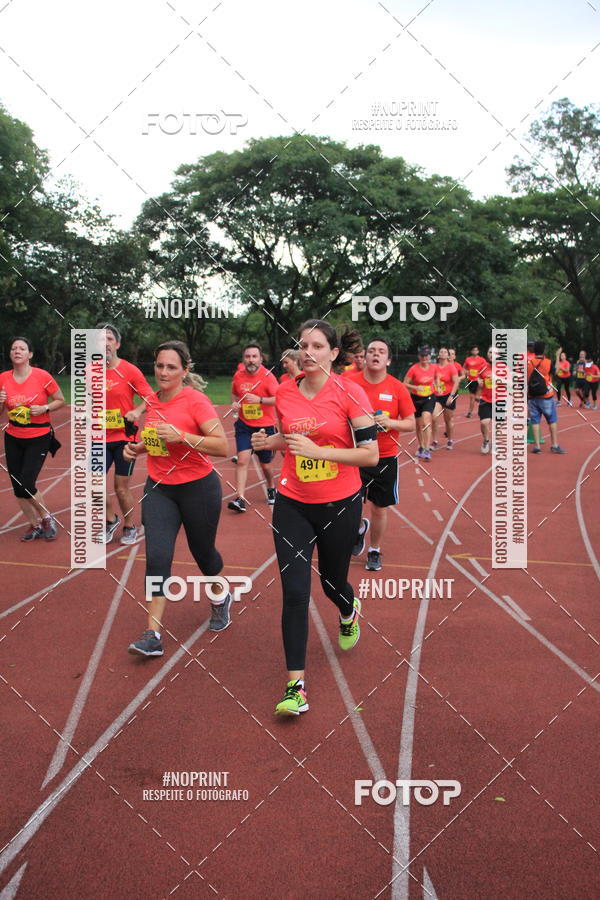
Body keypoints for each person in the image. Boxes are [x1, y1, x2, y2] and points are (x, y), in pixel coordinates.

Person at [251, 321, 378, 716]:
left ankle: (348, 609)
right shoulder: (286, 392)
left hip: (340, 502)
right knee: (293, 591)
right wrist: (268, 442)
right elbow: (291, 439)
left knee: (331, 582)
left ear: (333, 353)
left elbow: (370, 455)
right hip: (293, 501)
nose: (307, 351)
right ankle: (296, 688)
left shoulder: (350, 393)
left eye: (317, 346)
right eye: (302, 345)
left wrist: (320, 453)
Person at [125, 341, 231, 657]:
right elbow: (159, 440)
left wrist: (183, 436)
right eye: (159, 366)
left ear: (185, 370)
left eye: (171, 367)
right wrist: (139, 448)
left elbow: (222, 446)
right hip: (160, 489)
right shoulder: (152, 402)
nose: (164, 372)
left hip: (199, 488)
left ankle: (219, 596)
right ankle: (152, 635)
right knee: (157, 557)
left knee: (204, 555)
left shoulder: (196, 401)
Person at [346, 337, 415, 571]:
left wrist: (391, 422)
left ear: (388, 359)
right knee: (349, 504)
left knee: (379, 508)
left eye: (381, 351)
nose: (376, 354)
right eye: (371, 350)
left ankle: (374, 550)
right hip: (354, 454)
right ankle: (356, 529)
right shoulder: (348, 382)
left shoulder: (397, 387)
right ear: (364, 356)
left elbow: (411, 423)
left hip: (385, 456)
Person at [0, 337, 65, 541]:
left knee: (27, 482)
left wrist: (45, 408)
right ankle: (34, 525)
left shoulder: (42, 376)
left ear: (30, 354)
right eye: (13, 348)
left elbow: (61, 400)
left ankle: (46, 518)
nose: (17, 351)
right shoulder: (2, 378)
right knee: (17, 486)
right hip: (13, 436)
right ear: (10, 354)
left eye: (22, 348)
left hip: (38, 436)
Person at [94, 323, 154, 544]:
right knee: (94, 484)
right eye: (101, 339)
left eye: (109, 339)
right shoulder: (90, 371)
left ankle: (130, 525)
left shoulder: (130, 370)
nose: (105, 343)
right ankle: (111, 521)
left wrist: (136, 411)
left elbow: (150, 397)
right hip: (98, 437)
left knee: (121, 486)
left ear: (117, 344)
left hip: (123, 438)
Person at [228, 344, 279, 512]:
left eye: (254, 356)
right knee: (242, 460)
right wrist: (234, 404)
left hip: (264, 427)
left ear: (261, 359)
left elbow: (278, 399)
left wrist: (260, 400)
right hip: (244, 425)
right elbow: (234, 392)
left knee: (265, 465)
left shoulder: (268, 377)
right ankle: (240, 498)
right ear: (244, 359)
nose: (251, 360)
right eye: (248, 356)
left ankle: (271, 488)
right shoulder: (238, 375)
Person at [527, 340, 566, 454]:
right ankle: (554, 445)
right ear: (543, 350)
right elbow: (557, 371)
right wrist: (558, 356)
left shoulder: (528, 363)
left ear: (533, 350)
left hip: (532, 396)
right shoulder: (548, 362)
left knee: (535, 421)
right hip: (546, 396)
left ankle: (537, 447)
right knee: (552, 420)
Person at [404, 347, 438, 461]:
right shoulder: (413, 369)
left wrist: (437, 386)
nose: (424, 358)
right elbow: (405, 383)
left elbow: (437, 378)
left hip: (429, 397)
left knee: (426, 421)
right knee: (419, 425)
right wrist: (415, 387)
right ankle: (422, 446)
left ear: (430, 356)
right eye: (422, 356)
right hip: (416, 398)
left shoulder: (434, 367)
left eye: (426, 355)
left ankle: (427, 449)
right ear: (419, 357)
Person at [431, 347, 460, 450]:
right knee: (434, 417)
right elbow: (431, 379)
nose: (443, 353)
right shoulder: (434, 367)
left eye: (445, 352)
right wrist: (434, 384)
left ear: (448, 355)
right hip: (437, 396)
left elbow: (456, 382)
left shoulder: (451, 367)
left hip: (448, 395)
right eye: (441, 352)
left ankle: (450, 440)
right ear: (438, 355)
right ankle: (434, 441)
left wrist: (451, 396)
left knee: (448, 420)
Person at [475, 347, 495, 454]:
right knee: (484, 422)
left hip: (499, 399)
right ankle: (486, 440)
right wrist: (479, 381)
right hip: (485, 398)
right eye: (490, 352)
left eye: (494, 352)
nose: (492, 354)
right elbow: (478, 378)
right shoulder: (483, 367)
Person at [462, 346, 487, 417]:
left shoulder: (482, 360)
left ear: (478, 351)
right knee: (472, 397)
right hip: (470, 381)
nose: (475, 352)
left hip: (479, 381)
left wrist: (482, 375)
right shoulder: (468, 359)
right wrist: (466, 372)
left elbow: (486, 368)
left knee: (476, 397)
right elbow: (464, 368)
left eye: (476, 350)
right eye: (473, 350)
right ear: (471, 351)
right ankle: (470, 413)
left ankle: (485, 408)